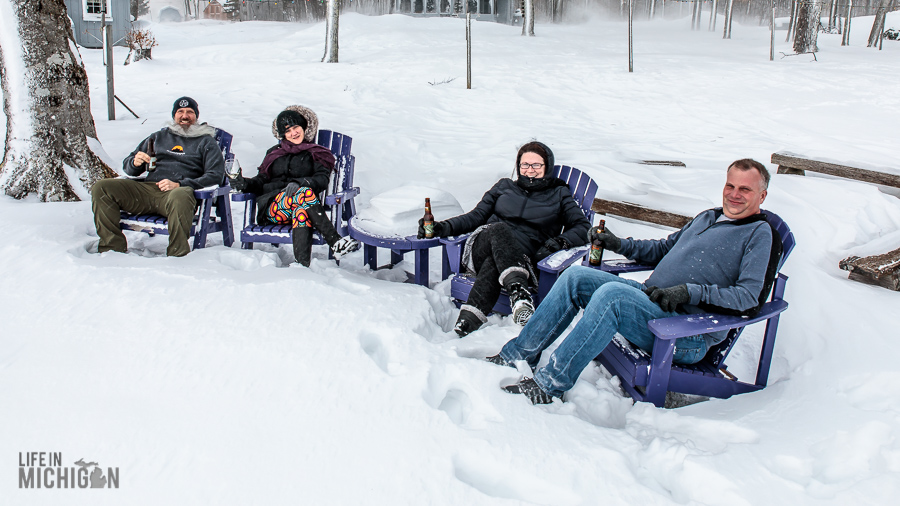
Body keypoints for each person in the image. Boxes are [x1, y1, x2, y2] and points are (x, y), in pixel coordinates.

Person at [489, 159, 783, 405]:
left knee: (612, 296)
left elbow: (748, 298)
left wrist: (688, 292)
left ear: (762, 195)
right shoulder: (708, 217)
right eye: (730, 186)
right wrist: (618, 243)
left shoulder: (761, 234)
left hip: (684, 333)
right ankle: (518, 352)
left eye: (745, 189)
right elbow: (663, 250)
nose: (734, 194)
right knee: (576, 276)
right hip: (652, 303)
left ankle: (549, 384)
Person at [420, 141, 591, 336]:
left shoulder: (559, 194)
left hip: (523, 258)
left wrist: (559, 242)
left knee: (497, 259)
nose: (530, 170)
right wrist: (443, 227)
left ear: (547, 167)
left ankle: (465, 325)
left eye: (536, 165)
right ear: (518, 166)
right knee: (499, 229)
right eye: (525, 165)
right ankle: (519, 293)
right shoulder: (504, 186)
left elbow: (583, 227)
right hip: (483, 246)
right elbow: (475, 217)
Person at [91, 97, 225, 257]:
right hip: (146, 191)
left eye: (190, 112)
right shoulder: (158, 137)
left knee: (181, 194)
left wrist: (180, 184)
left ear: (196, 116)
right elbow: (129, 169)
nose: (185, 116)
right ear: (174, 115)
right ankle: (111, 248)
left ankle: (177, 254)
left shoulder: (206, 141)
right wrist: (135, 162)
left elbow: (215, 176)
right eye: (180, 112)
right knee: (102, 188)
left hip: (175, 196)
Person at [230, 106, 359, 266]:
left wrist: (300, 182)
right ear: (282, 134)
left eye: (296, 127)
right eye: (288, 130)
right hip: (274, 209)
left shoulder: (316, 154)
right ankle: (335, 241)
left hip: (301, 205)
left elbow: (322, 180)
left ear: (304, 127)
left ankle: (301, 266)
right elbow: (261, 181)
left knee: (301, 211)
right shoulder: (274, 153)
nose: (293, 133)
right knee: (303, 195)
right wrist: (243, 183)